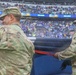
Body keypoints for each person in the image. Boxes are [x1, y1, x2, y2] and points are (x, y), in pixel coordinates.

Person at [0, 7, 34, 75]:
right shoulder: (28, 41)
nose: (2, 21)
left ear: (11, 17)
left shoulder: (3, 30)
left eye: (3, 18)